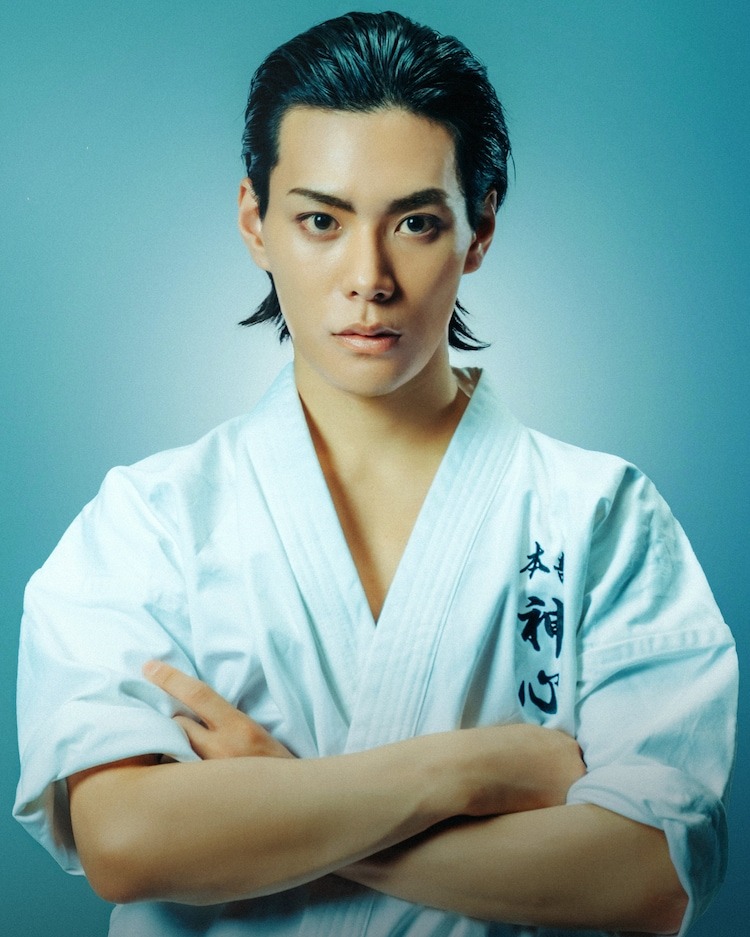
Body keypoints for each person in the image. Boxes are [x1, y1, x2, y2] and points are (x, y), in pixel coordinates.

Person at [14, 11, 737, 937]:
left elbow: (649, 875)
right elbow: (128, 842)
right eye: (321, 220)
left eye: (417, 223)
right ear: (256, 222)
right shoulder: (150, 520)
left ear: (479, 228)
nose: (370, 276)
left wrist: (274, 800)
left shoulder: (598, 515)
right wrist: (468, 771)